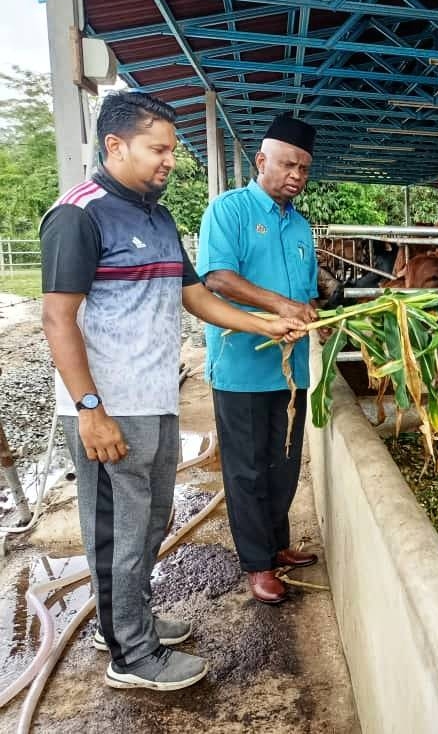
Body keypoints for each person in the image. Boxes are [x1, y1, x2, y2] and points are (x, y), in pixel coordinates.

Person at [40, 91, 306, 692]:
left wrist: (265, 324)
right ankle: (131, 656)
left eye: (172, 150)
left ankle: (128, 623)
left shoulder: (157, 217)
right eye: (157, 149)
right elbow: (57, 318)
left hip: (155, 397)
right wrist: (90, 410)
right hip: (109, 407)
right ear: (115, 145)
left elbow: (195, 296)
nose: (169, 160)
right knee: (120, 531)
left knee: (150, 524)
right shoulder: (79, 214)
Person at [196, 115, 321, 605]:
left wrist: (315, 315)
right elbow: (217, 278)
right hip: (242, 367)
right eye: (288, 164)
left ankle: (277, 543)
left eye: (304, 168)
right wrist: (280, 306)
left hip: (290, 370)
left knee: (284, 462)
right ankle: (257, 563)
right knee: (247, 468)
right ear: (261, 161)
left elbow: (306, 293)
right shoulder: (229, 211)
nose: (296, 175)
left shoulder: (302, 226)